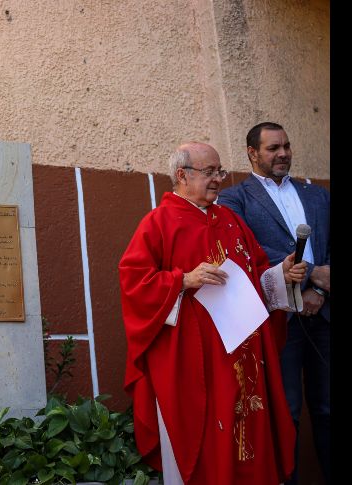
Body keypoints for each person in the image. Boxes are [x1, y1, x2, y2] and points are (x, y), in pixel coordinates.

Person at [119, 142, 304, 484]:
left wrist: (281, 275)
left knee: (250, 438)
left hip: (245, 355)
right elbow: (134, 284)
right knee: (206, 447)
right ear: (181, 175)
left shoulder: (231, 221)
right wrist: (183, 280)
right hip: (194, 363)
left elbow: (257, 278)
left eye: (219, 171)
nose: (218, 179)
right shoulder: (158, 222)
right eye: (209, 172)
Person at [218, 122, 330, 484]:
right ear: (252, 153)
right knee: (288, 411)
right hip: (279, 317)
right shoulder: (236, 199)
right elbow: (247, 250)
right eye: (272, 148)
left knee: (328, 409)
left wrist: (321, 291)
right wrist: (311, 272)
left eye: (286, 146)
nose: (283, 154)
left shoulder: (318, 196)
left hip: (324, 312)